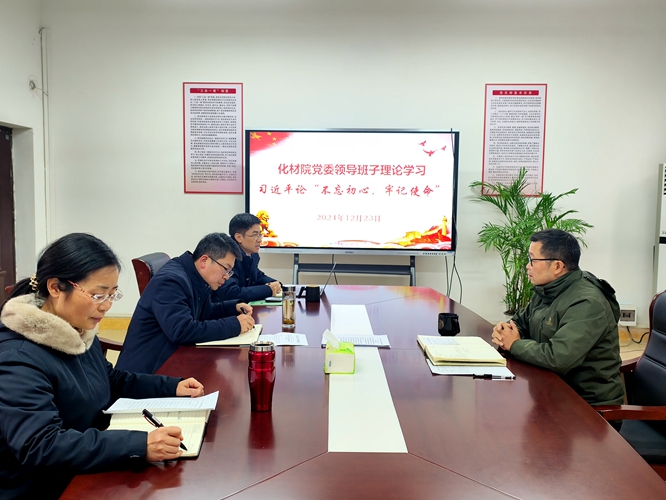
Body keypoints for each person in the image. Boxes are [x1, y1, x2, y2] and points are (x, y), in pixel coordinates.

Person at [0, 233, 205, 500]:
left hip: (89, 465)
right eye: (98, 295)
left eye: (112, 294)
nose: (107, 306)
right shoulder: (18, 357)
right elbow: (41, 445)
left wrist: (172, 387)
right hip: (46, 487)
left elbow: (110, 379)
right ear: (55, 288)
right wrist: (139, 445)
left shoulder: (75, 329)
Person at [491, 229, 624, 406]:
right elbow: (520, 323)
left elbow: (559, 358)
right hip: (550, 391)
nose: (527, 266)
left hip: (586, 407)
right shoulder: (547, 289)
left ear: (557, 266)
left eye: (532, 260)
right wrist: (504, 332)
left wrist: (514, 344)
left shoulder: (587, 302)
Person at [116, 232, 255, 374]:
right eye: (226, 269)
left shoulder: (196, 275)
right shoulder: (171, 281)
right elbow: (182, 331)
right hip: (147, 372)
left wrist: (233, 307)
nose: (227, 277)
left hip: (172, 359)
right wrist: (235, 325)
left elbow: (204, 312)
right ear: (204, 261)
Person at [213, 213, 281, 303]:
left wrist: (276, 284)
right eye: (254, 235)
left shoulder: (252, 255)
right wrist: (268, 290)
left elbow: (257, 276)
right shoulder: (228, 256)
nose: (259, 240)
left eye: (260, 235)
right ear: (239, 237)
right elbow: (231, 292)